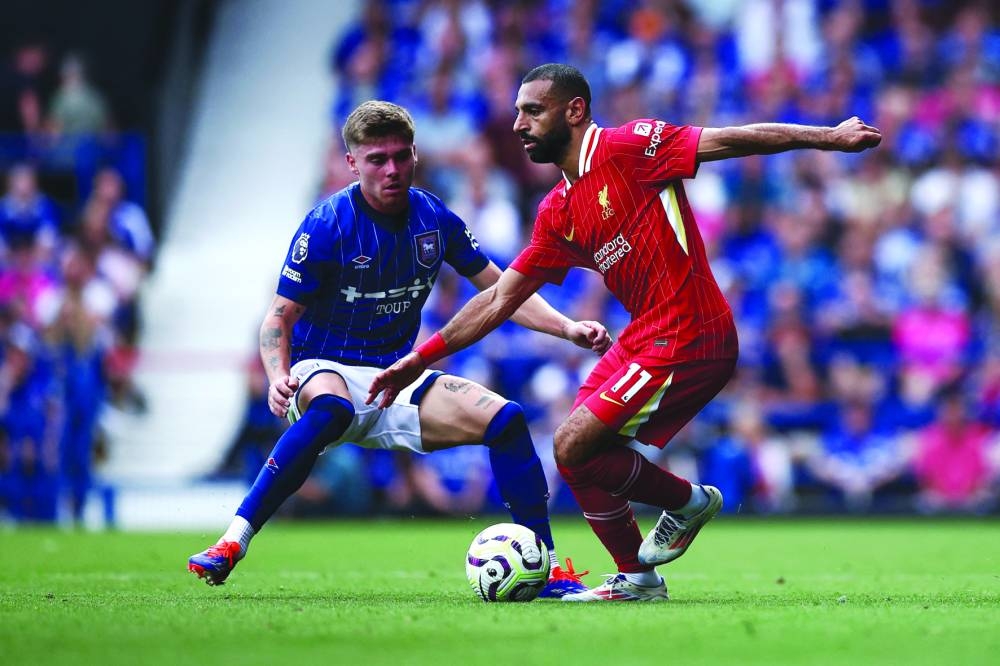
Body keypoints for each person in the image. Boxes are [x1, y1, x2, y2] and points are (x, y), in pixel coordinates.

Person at [368, 63, 882, 602]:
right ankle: (637, 579)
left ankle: (686, 503)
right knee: (574, 453)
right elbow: (499, 298)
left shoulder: (631, 146)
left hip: (690, 330)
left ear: (575, 110)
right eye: (518, 111)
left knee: (573, 444)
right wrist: (420, 358)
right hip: (646, 335)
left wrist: (830, 137)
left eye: (533, 111)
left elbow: (734, 139)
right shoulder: (557, 212)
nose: (519, 123)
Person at [188, 100, 611, 597]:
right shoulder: (327, 225)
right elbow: (279, 317)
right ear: (352, 163)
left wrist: (567, 328)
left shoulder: (434, 218)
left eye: (401, 156)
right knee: (330, 408)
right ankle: (232, 541)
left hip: (398, 376)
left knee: (508, 421)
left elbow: (501, 291)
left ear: (414, 155)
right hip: (326, 370)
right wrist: (279, 373)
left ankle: (544, 570)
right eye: (376, 159)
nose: (392, 169)